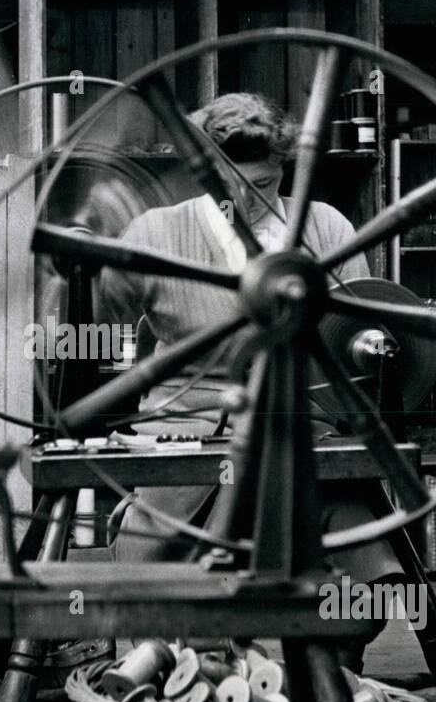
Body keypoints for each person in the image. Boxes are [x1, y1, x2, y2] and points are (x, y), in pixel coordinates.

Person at [96, 92, 403, 666]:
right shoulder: (156, 231)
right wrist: (99, 255)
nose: (243, 197)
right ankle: (196, 684)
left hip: (302, 429)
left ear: (285, 170)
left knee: (360, 581)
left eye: (262, 182)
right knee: (157, 587)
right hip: (187, 437)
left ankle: (321, 687)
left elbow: (362, 337)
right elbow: (103, 312)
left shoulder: (327, 228)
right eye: (224, 179)